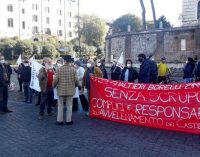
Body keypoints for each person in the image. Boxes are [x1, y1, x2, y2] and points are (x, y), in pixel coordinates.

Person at [53, 55, 78, 125]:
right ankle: (68, 121)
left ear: (64, 61)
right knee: (69, 106)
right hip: (70, 90)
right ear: (70, 61)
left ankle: (59, 121)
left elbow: (55, 80)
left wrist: (54, 86)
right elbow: (76, 80)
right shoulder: (73, 69)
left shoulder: (59, 69)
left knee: (60, 106)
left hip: (61, 90)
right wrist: (75, 85)